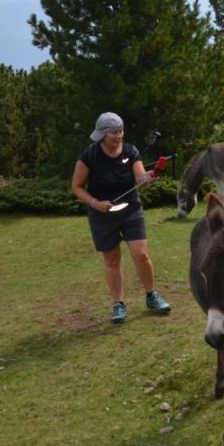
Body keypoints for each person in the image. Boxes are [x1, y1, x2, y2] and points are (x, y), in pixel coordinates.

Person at [71, 111, 171, 324]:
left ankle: (151, 295)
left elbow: (140, 178)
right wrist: (95, 203)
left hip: (131, 210)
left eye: (121, 131)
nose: (119, 136)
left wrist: (149, 177)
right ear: (103, 135)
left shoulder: (130, 151)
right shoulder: (89, 156)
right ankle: (119, 304)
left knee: (141, 255)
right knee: (112, 259)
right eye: (114, 132)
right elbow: (77, 187)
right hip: (102, 214)